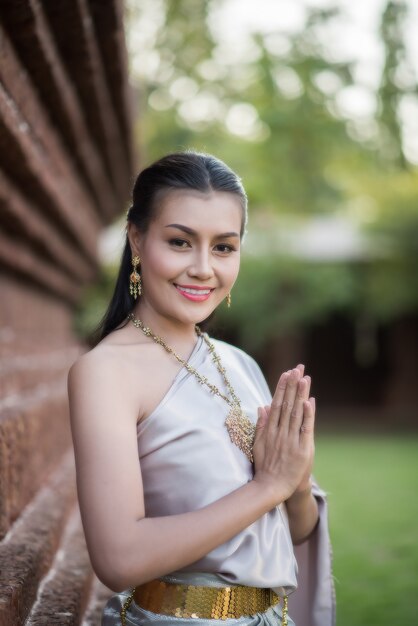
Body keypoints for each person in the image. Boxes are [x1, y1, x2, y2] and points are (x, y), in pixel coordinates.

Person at [67, 151, 336, 626]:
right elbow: (118, 558)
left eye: (224, 247)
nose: (203, 268)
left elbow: (294, 530)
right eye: (180, 241)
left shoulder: (241, 365)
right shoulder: (106, 372)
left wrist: (295, 484)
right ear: (136, 238)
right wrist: (266, 486)